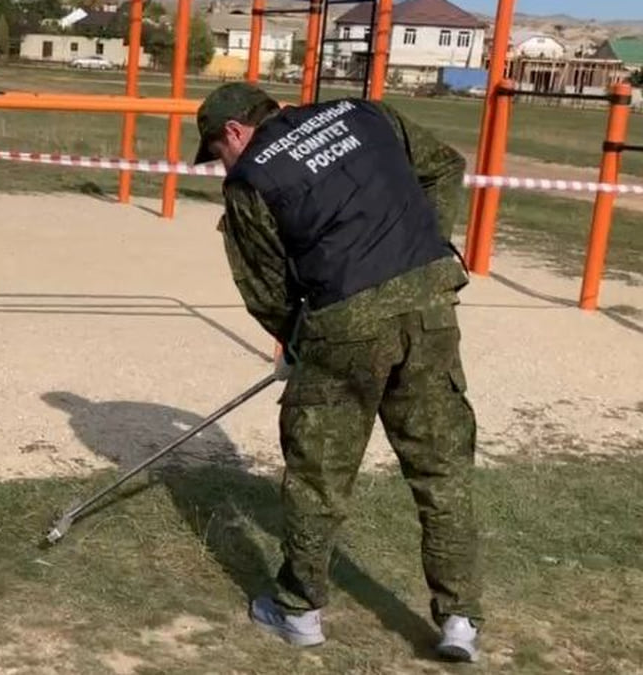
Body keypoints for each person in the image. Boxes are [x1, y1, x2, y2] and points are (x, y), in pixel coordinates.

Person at [192, 83, 482, 662]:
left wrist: (298, 342)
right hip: (430, 307)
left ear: (233, 132)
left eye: (217, 152)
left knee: (318, 476)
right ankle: (459, 621)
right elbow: (445, 166)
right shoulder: (366, 113)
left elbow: (266, 290)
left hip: (343, 324)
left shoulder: (250, 179)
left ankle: (299, 611)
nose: (222, 164)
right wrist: (427, 245)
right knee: (442, 470)